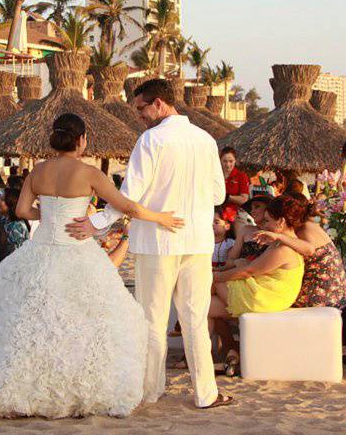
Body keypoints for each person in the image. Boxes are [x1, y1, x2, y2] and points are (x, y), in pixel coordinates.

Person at [0, 112, 185, 418]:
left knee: (26, 318)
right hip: (76, 251)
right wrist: (161, 218)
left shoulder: (37, 172)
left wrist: (48, 216)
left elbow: (22, 210)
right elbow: (126, 206)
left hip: (40, 251)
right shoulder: (89, 173)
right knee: (88, 321)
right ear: (81, 140)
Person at [68, 78, 232, 410]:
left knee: (153, 319)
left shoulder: (151, 140)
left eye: (140, 108)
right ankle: (206, 394)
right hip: (197, 241)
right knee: (195, 319)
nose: (138, 115)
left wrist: (98, 221)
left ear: (158, 103)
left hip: (157, 242)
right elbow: (219, 194)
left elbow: (130, 194)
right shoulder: (206, 140)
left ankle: (151, 390)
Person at [209, 195, 306, 374]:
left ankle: (215, 353)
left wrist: (215, 276)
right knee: (202, 307)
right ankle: (215, 355)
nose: (266, 224)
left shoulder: (283, 249)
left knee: (207, 286)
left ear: (281, 222)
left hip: (263, 297)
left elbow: (248, 272)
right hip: (264, 292)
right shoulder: (282, 243)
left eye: (268, 220)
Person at [253, 192, 346, 310]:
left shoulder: (302, 230)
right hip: (337, 292)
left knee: (262, 298)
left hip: (322, 295)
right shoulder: (309, 225)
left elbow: (309, 250)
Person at [219, 147, 249, 222]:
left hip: (236, 213)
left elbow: (244, 199)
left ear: (235, 161)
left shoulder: (241, 176)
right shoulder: (215, 175)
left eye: (231, 161)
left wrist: (228, 197)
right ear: (220, 161)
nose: (228, 164)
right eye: (225, 161)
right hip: (217, 212)